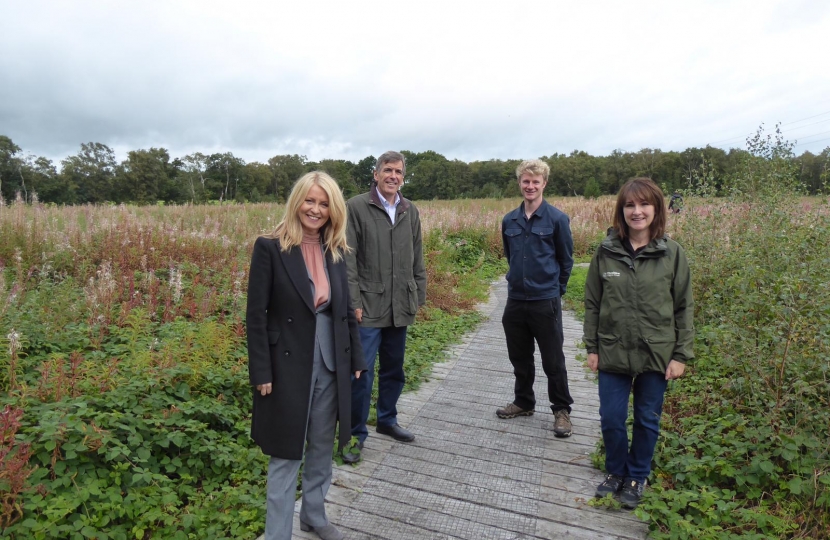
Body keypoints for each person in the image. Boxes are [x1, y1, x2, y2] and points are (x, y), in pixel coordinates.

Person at [246, 171, 367, 540]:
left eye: (324, 203)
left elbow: (344, 310)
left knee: (321, 444)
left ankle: (313, 514)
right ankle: (277, 534)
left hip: (331, 361)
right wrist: (261, 371)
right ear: (297, 201)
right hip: (286, 366)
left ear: (333, 210)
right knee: (285, 453)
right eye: (310, 200)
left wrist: (357, 357)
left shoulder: (337, 250)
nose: (315, 209)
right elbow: (256, 315)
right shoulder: (270, 247)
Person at [584, 177, 694, 509]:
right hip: (613, 349)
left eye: (644, 204)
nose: (637, 211)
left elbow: (683, 306)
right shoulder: (605, 252)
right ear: (621, 211)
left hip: (656, 353)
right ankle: (616, 472)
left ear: (657, 209)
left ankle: (637, 476)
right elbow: (592, 302)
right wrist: (592, 347)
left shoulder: (672, 254)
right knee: (612, 418)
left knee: (647, 418)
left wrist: (681, 354)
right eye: (630, 205)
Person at [342, 151, 427, 464]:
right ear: (376, 174)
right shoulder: (356, 207)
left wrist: (417, 295)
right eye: (388, 170)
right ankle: (353, 434)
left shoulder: (409, 210)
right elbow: (347, 258)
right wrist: (354, 302)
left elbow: (418, 256)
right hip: (368, 305)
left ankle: (387, 420)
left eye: (399, 172)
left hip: (399, 304)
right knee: (360, 373)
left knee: (395, 368)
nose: (394, 176)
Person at [496, 159, 575, 438]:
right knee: (519, 356)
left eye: (535, 181)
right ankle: (523, 402)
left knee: (553, 359)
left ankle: (561, 410)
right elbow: (510, 255)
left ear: (544, 184)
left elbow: (566, 262)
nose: (530, 186)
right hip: (516, 299)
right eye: (525, 181)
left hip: (545, 300)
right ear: (519, 183)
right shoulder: (509, 220)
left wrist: (556, 290)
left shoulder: (557, 219)